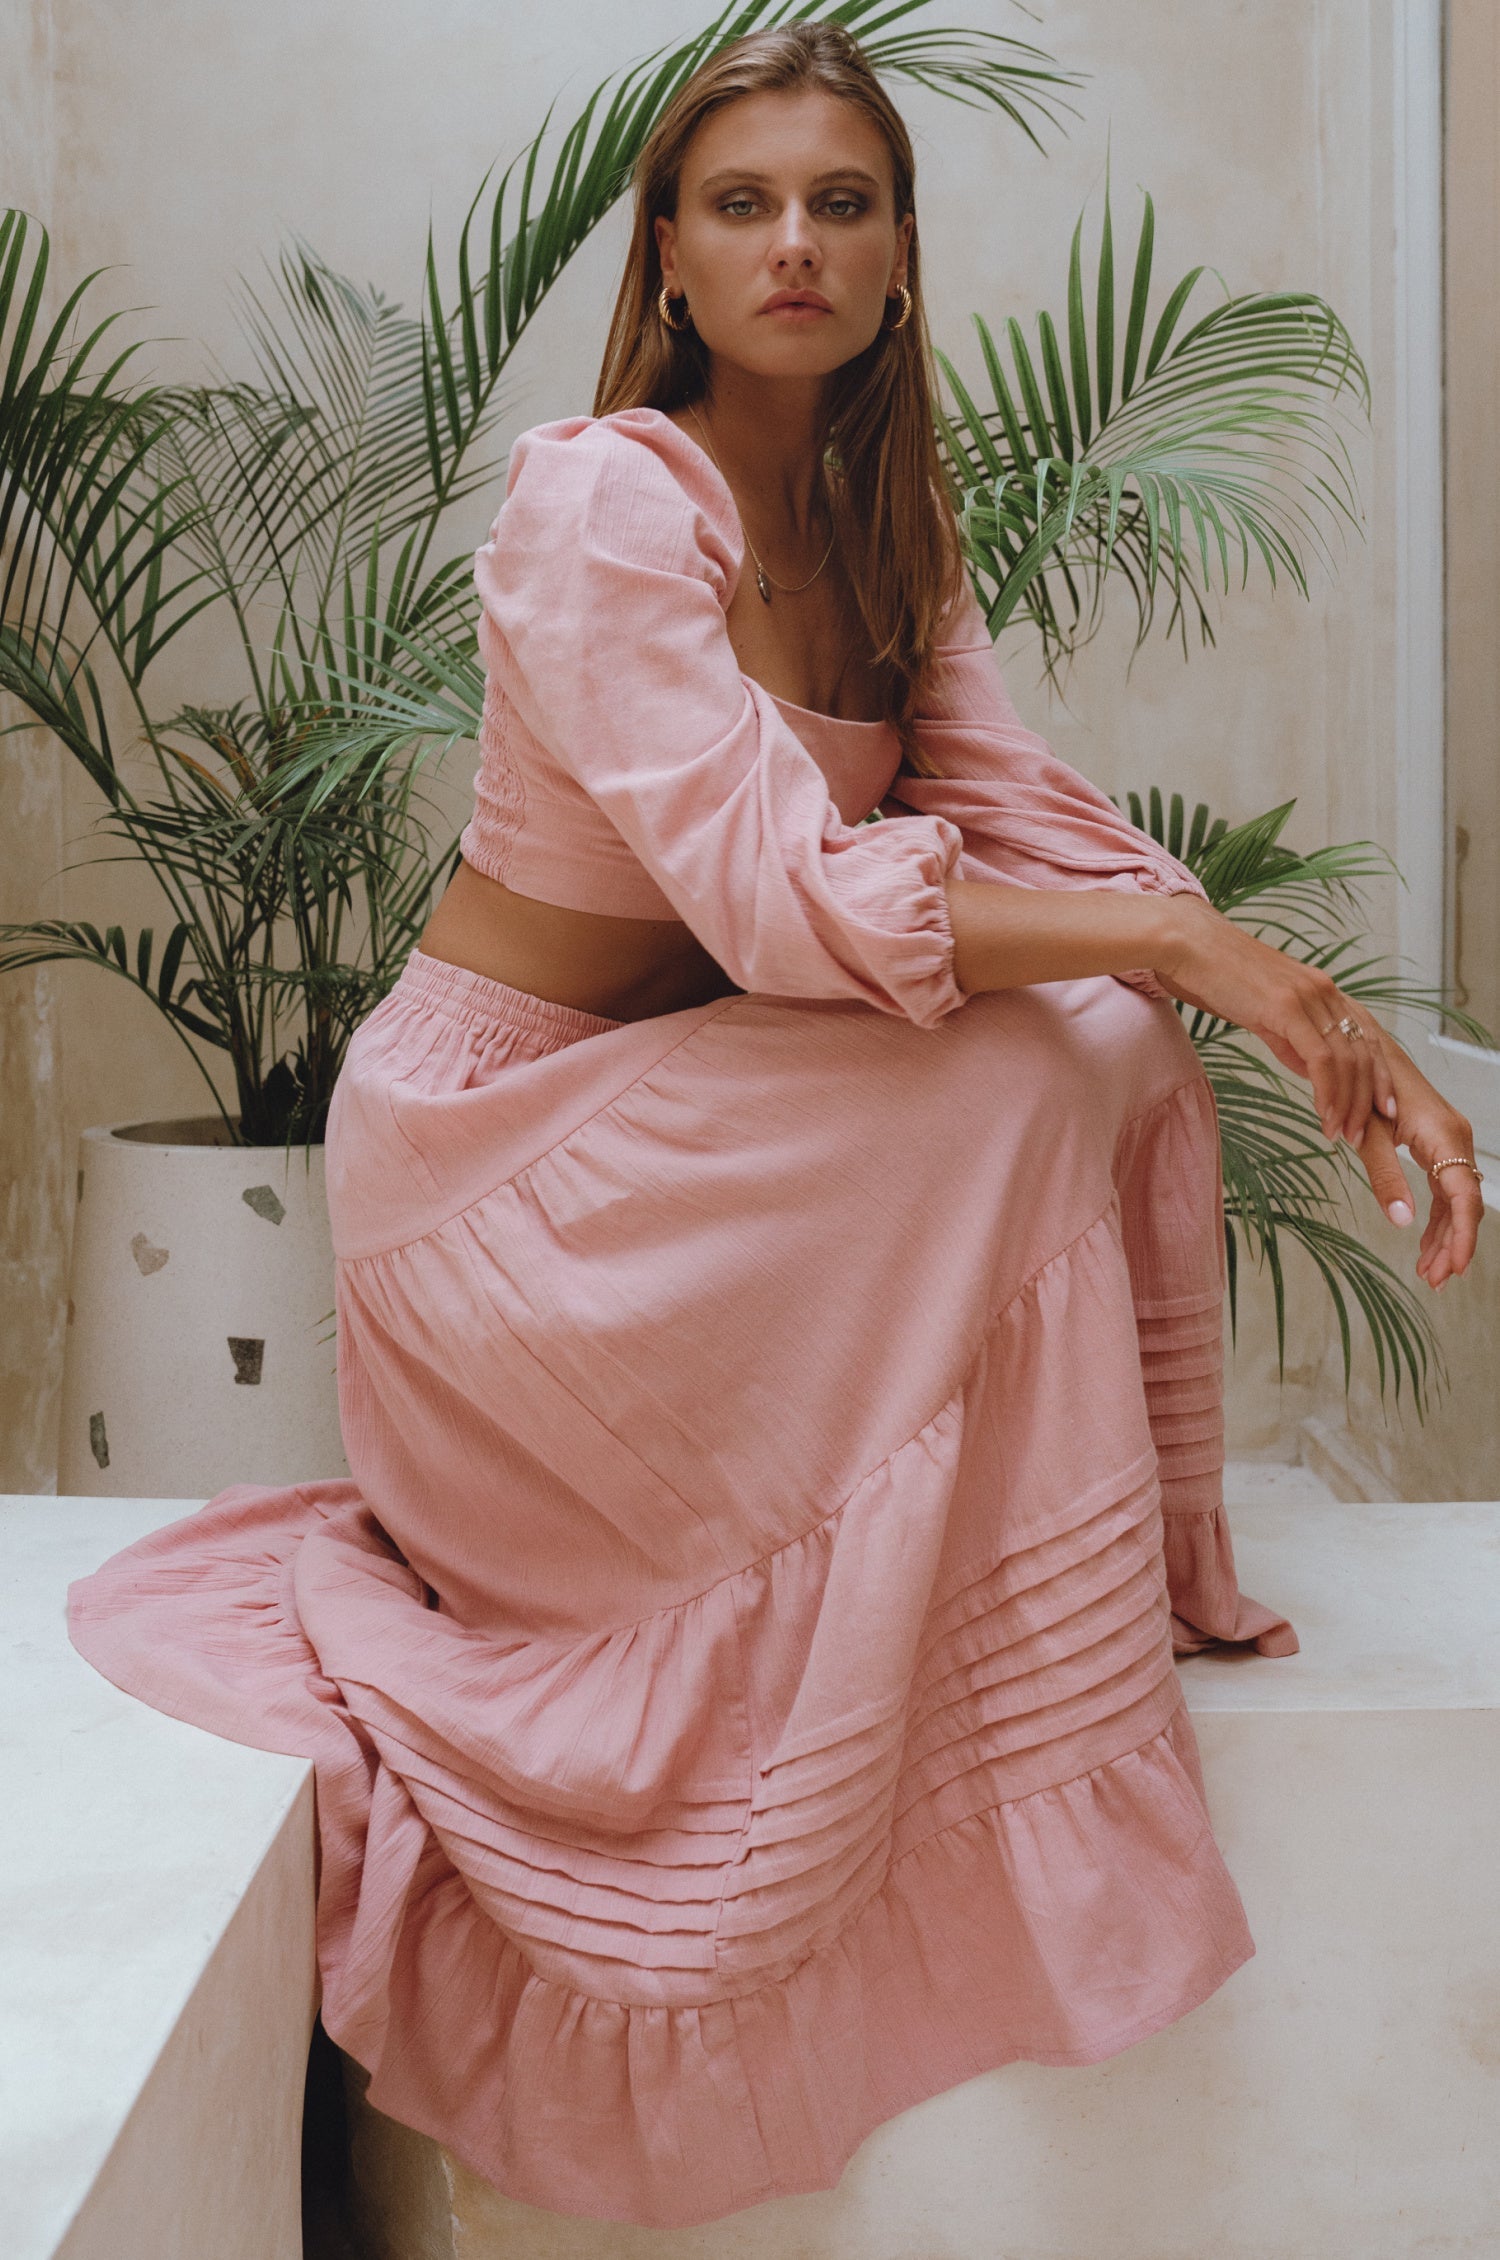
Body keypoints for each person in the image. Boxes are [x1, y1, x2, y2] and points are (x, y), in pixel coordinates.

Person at [68, 20, 1483, 2231]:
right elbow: (775, 896)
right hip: (497, 1166)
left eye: (842, 201)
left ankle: (1035, 1593)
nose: (795, 243)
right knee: (1051, 1044)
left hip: (674, 1135)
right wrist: (1199, 949)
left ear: (903, 249)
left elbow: (1024, 828)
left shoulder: (884, 522)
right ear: (668, 253)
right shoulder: (606, 499)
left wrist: (1254, 977)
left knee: (1101, 1034)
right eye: (742, 205)